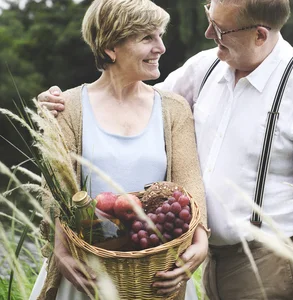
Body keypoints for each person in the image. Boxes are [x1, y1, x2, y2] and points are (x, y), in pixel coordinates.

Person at [38, 0, 293, 299]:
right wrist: (56, 107)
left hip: (270, 266)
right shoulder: (207, 67)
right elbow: (132, 102)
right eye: (209, 19)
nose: (207, 35)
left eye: (219, 29)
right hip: (202, 265)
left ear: (259, 34)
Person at [29, 0, 210, 299]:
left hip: (156, 276)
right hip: (87, 276)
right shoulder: (67, 108)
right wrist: (60, 253)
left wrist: (200, 240)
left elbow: (191, 183)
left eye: (160, 36)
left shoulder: (174, 109)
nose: (161, 47)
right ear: (111, 47)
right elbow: (56, 192)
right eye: (147, 38)